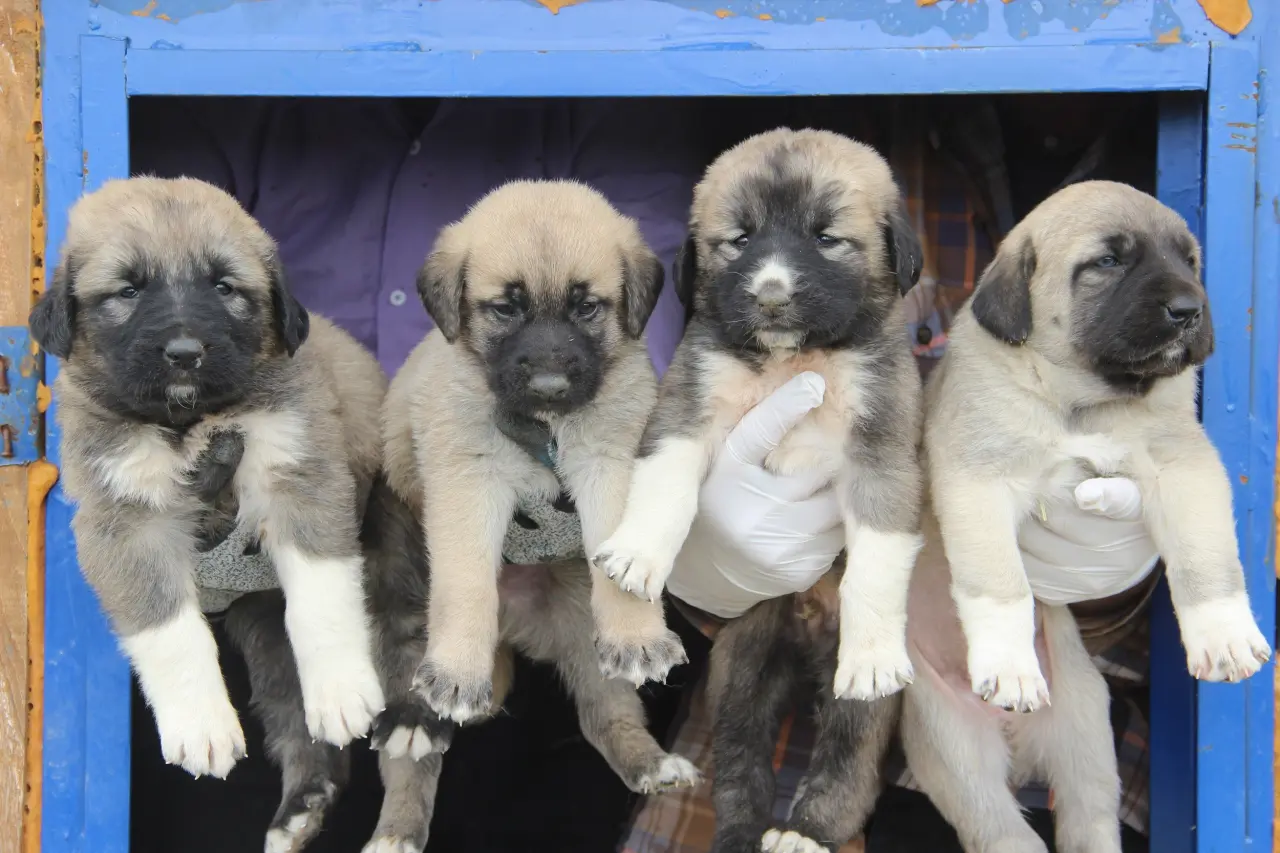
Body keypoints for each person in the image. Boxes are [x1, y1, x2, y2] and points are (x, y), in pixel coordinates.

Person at [126, 94, 1158, 853]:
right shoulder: (218, 96)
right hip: (266, 586)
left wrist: (685, 558)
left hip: (557, 621)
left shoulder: (616, 104)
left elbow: (647, 393)